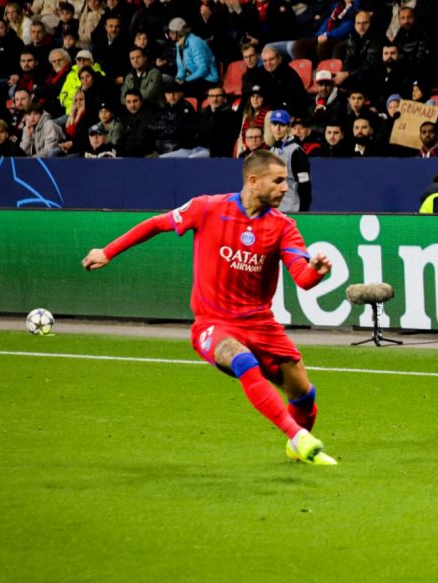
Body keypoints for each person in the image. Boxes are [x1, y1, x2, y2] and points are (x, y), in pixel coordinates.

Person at [81, 150, 337, 466]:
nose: (286, 187)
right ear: (254, 181)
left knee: (304, 395)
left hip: (261, 324)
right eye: (279, 180)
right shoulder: (207, 208)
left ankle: (297, 449)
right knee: (242, 360)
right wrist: (108, 251)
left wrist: (317, 271)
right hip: (214, 324)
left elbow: (303, 278)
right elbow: (156, 224)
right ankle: (296, 436)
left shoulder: (284, 226)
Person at [268, 109, 312, 212]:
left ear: (288, 127)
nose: (277, 128)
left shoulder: (296, 151)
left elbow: (305, 184)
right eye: (274, 124)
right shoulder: (272, 150)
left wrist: (303, 209)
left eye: (282, 125)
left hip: (292, 208)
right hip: (275, 208)